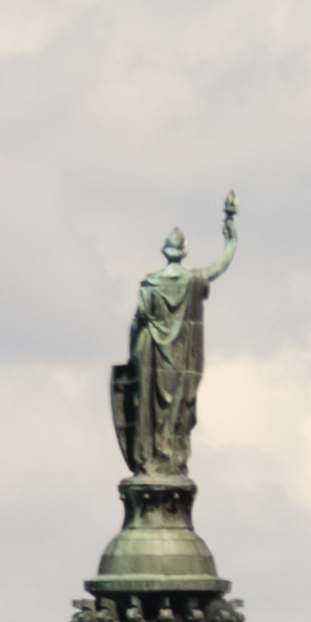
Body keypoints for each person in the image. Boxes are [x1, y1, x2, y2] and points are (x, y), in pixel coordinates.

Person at [110, 192, 238, 479]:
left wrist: (134, 356)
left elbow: (137, 323)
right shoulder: (192, 281)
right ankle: (169, 461)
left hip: (150, 352)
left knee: (146, 410)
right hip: (178, 360)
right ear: (184, 251)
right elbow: (219, 266)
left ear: (164, 250)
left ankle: (149, 461)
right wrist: (231, 240)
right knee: (176, 409)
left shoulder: (151, 286)